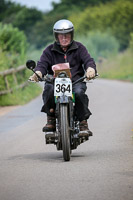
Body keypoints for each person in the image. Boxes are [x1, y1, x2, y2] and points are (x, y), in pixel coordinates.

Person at [29, 19, 97, 137]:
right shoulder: (49, 50)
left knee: (79, 93)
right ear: (56, 36)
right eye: (61, 36)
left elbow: (88, 60)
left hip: (75, 81)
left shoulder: (79, 48)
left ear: (72, 35)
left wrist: (91, 69)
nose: (64, 38)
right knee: (48, 90)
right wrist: (38, 73)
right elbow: (42, 64)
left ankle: (83, 122)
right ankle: (50, 119)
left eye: (67, 35)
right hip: (54, 82)